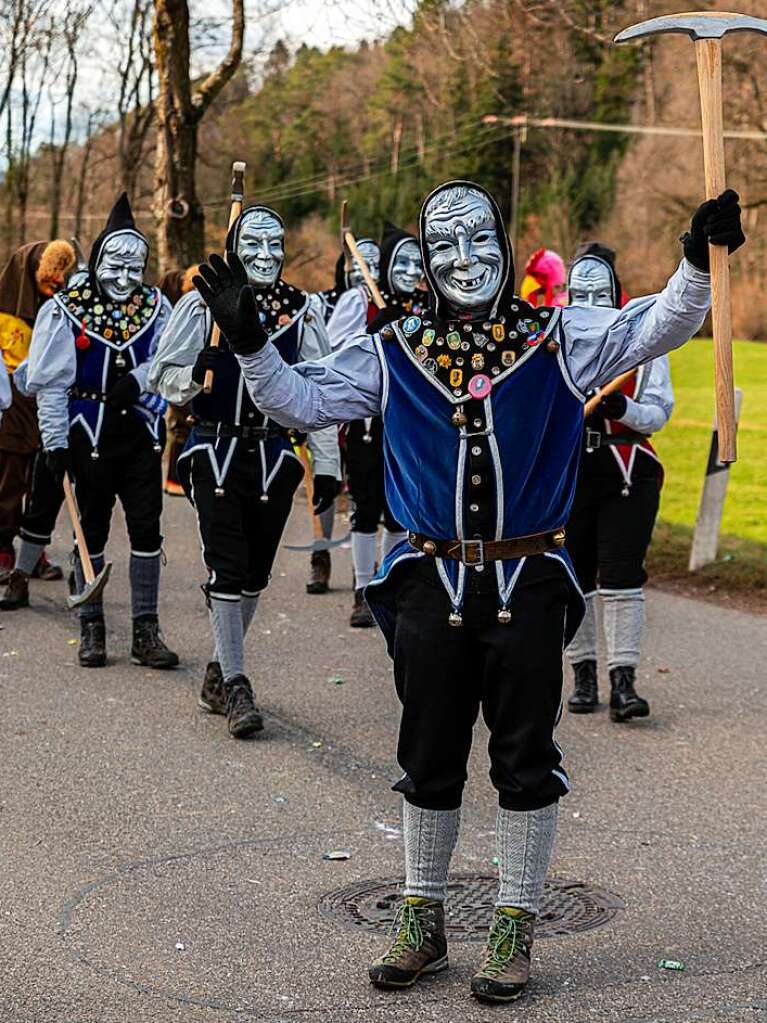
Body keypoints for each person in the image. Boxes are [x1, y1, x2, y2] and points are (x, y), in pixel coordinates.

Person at [193, 180, 741, 1003]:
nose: (463, 258)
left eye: (478, 238)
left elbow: (658, 324)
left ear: (505, 244)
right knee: (426, 757)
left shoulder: (557, 336)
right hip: (427, 582)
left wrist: (696, 264)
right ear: (426, 255)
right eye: (444, 244)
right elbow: (299, 401)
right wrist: (249, 346)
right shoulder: (392, 346)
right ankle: (423, 919)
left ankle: (515, 922)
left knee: (525, 759)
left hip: (527, 581)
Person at [149, 204, 340, 739]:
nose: (265, 254)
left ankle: (216, 669)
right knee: (227, 568)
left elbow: (321, 392)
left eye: (274, 243)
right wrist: (193, 374)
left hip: (275, 457)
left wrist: (327, 465)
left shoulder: (303, 311)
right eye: (252, 243)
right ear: (235, 247)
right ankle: (236, 685)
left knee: (255, 574)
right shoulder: (201, 305)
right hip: (214, 452)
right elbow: (159, 375)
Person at [25, 193, 179, 670]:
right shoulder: (66, 308)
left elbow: (176, 361)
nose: (125, 273)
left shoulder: (156, 305)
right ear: (97, 257)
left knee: (146, 529)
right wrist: (54, 443)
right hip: (84, 435)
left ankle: (146, 631)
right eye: (116, 261)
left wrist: (141, 379)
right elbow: (50, 383)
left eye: (135, 263)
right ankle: (91, 626)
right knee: (90, 527)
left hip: (139, 435)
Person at [564, 243, 673, 721]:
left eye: (598, 291)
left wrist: (621, 408)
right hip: (569, 474)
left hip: (628, 474)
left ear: (615, 290)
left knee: (622, 575)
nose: (589, 299)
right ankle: (583, 676)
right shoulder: (554, 341)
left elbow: (658, 412)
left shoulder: (642, 341)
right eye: (579, 291)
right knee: (576, 575)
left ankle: (623, 682)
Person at [340, 221, 425, 627]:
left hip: (411, 428)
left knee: (399, 511)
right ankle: (360, 588)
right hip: (368, 426)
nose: (411, 272)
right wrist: (374, 333)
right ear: (387, 266)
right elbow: (338, 353)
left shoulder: (429, 308)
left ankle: (388, 578)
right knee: (366, 507)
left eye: (418, 263)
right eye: (402, 263)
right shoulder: (361, 301)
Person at [0, 240, 75, 597]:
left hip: (45, 402)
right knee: (9, 477)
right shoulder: (2, 311)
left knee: (42, 479)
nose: (58, 281)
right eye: (52, 274)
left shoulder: (59, 309)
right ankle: (2, 549)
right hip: (9, 405)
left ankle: (33, 553)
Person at [158, 266, 198, 497]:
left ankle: (183, 477)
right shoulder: (173, 309)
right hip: (178, 371)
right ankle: (176, 478)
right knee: (182, 422)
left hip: (193, 369)